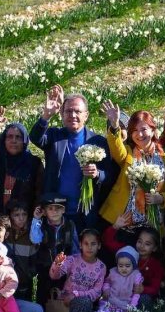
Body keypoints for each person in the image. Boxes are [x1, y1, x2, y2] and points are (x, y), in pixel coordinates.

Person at [29, 85, 114, 229]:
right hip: (56, 211)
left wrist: (97, 174)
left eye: (77, 111)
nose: (73, 115)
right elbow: (35, 138)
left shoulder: (98, 141)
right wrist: (47, 115)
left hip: (85, 212)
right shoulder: (55, 136)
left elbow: (110, 176)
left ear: (86, 115)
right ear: (61, 114)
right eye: (68, 111)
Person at [99, 102, 165, 234]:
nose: (139, 134)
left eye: (143, 129)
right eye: (135, 131)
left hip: (152, 226)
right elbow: (117, 149)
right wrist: (114, 125)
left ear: (153, 130)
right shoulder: (129, 152)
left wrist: (161, 198)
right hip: (124, 222)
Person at [0, 106, 44, 217]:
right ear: (4, 140)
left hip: (22, 221)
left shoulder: (33, 163)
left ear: (25, 141)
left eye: (18, 137)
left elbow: (39, 192)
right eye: (9, 137)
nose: (13, 141)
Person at [104, 212, 165, 306]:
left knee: (145, 298)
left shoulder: (155, 265)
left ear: (155, 248)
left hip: (137, 297)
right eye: (140, 241)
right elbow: (108, 242)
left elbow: (155, 287)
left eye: (147, 244)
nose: (142, 246)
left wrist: (143, 289)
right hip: (119, 295)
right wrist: (115, 227)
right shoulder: (128, 251)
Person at [49, 229, 107, 312]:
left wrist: (77, 295)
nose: (89, 247)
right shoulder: (73, 259)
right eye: (86, 243)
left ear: (99, 246)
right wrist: (57, 264)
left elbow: (97, 292)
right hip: (66, 301)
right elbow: (54, 276)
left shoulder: (101, 267)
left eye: (93, 244)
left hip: (85, 304)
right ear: (80, 245)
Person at [30, 193, 80, 305]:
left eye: (58, 208)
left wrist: (74, 268)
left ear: (63, 210)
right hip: (44, 269)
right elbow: (35, 239)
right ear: (44, 211)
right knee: (42, 298)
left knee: (61, 297)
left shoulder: (70, 225)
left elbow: (75, 249)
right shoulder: (41, 224)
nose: (54, 211)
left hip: (64, 270)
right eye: (50, 208)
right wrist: (36, 219)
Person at [95, 246, 144, 312]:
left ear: (133, 265)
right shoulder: (113, 272)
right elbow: (107, 282)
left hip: (125, 305)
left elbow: (136, 294)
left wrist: (132, 306)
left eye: (127, 266)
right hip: (110, 301)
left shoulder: (135, 275)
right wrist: (106, 289)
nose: (124, 268)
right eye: (120, 266)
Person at [4, 198, 38, 301]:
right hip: (5, 282)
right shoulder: (5, 233)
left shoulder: (32, 234)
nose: (21, 218)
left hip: (24, 281)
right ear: (10, 215)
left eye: (24, 214)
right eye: (16, 215)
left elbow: (34, 259)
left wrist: (29, 274)